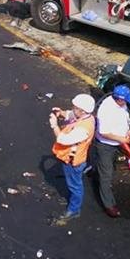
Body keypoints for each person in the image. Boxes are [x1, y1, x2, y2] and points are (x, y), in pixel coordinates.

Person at [49, 93, 96, 224]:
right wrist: (61, 113)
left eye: (75, 108)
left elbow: (63, 140)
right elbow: (71, 115)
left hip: (73, 161)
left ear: (83, 111)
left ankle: (74, 210)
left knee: (75, 186)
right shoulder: (85, 117)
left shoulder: (83, 129)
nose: (72, 109)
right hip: (70, 158)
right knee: (73, 183)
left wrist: (54, 125)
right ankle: (73, 201)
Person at [94, 84, 130, 218]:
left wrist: (128, 131)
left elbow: (125, 119)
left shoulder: (122, 104)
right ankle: (108, 205)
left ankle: (97, 171)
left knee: (110, 166)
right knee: (106, 175)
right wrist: (122, 139)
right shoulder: (106, 110)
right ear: (119, 99)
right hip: (105, 145)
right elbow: (104, 132)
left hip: (117, 143)